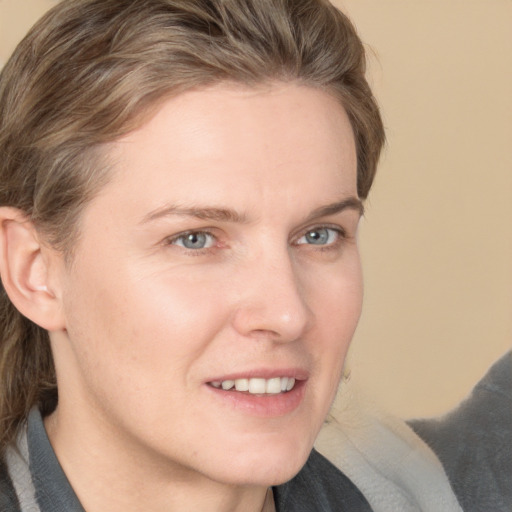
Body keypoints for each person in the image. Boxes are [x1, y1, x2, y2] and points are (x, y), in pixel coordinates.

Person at [0, 1, 463, 511]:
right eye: (195, 239)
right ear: (34, 271)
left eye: (319, 235)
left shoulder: (444, 489)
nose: (287, 314)